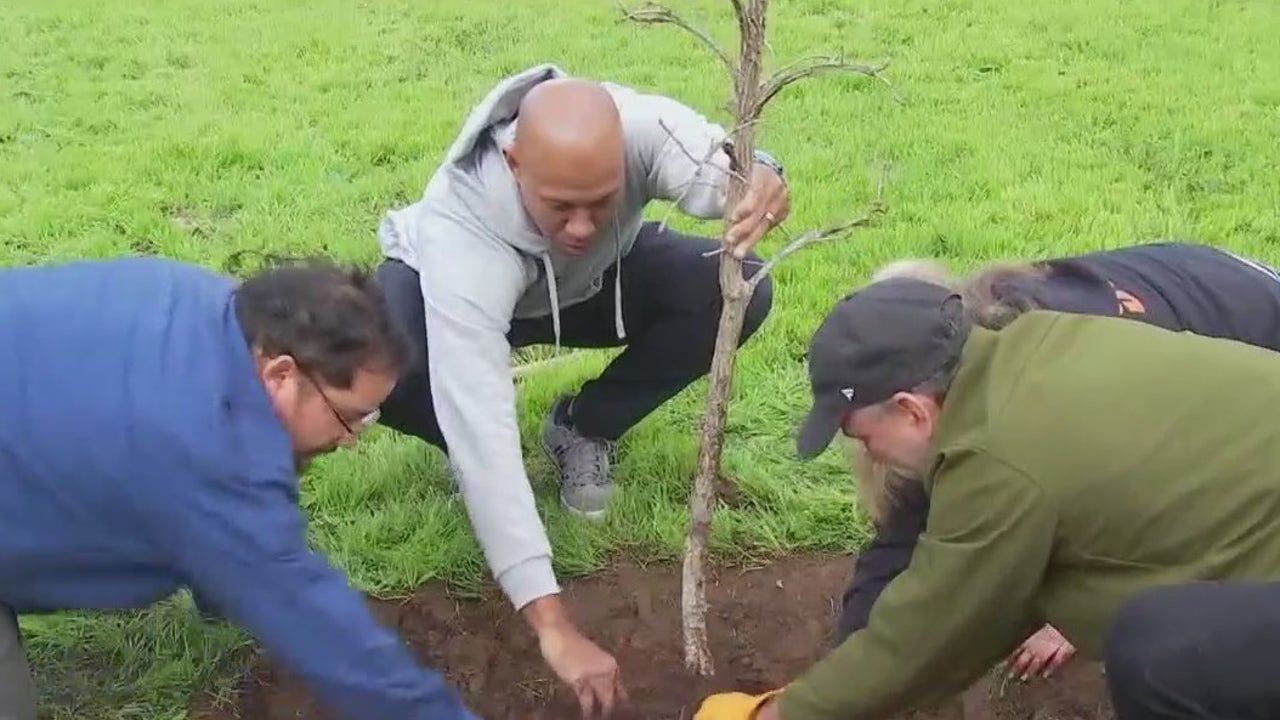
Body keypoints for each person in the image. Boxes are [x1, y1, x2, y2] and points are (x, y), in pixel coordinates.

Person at [372, 63, 784, 712]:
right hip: (444, 298)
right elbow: (482, 424)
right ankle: (456, 447)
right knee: (385, 353)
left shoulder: (640, 128)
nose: (585, 225)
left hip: (588, 287)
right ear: (513, 163)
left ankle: (583, 426)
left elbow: (721, 172)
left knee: (738, 286)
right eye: (562, 205)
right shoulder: (463, 233)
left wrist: (763, 175)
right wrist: (554, 626)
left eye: (602, 201)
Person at [697, 274, 1280, 720]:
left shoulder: (998, 459)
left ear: (911, 410)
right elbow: (997, 601)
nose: (868, 455)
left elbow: (926, 634)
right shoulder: (1038, 341)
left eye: (859, 435)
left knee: (1158, 657)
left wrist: (773, 715)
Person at [0, 255, 481, 720]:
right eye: (349, 417)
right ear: (282, 375)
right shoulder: (207, 449)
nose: (353, 440)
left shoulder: (210, 307)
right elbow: (323, 633)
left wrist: (224, 579)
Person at [835, 240, 1280, 681]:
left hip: (1253, 331)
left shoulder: (1072, 375)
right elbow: (904, 526)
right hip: (1197, 281)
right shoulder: (957, 372)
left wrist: (1067, 614)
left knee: (1191, 629)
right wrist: (844, 664)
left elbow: (1155, 499)